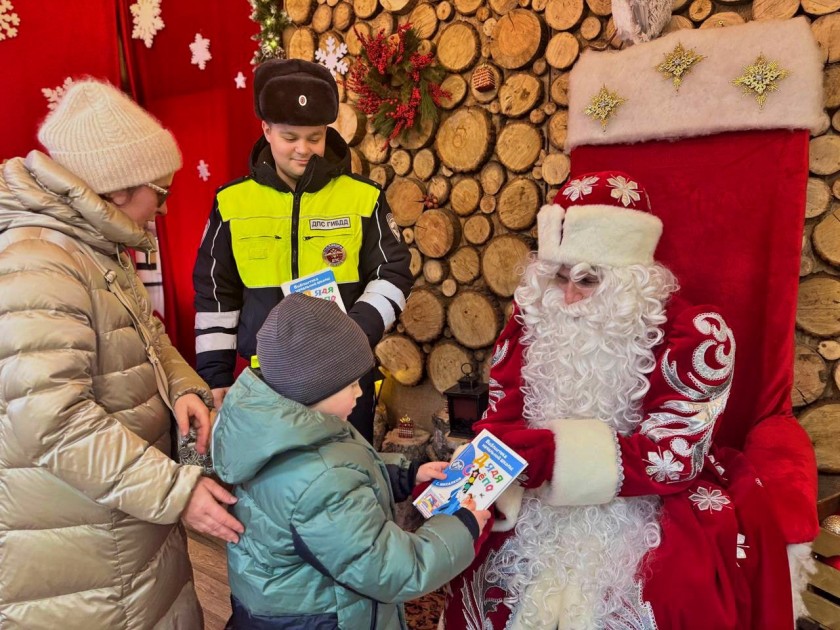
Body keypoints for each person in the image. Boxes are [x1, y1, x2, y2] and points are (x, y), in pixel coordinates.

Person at [442, 172, 795, 629]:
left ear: (627, 281)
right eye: (559, 276)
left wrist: (557, 456)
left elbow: (676, 456)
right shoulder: (533, 322)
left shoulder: (696, 337)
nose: (568, 297)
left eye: (587, 280)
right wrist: (471, 477)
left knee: (675, 590)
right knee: (479, 562)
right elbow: (501, 418)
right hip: (533, 492)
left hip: (641, 495)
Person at [0, 79, 244, 628]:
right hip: (83, 546)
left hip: (123, 519)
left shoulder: (96, 249)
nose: (162, 208)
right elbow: (53, 421)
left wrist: (182, 386)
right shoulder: (39, 262)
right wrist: (175, 491)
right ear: (114, 190)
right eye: (160, 192)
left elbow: (148, 336)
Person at [211, 293, 491, 629]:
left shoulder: (283, 432)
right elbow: (395, 570)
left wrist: (406, 474)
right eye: (351, 384)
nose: (361, 393)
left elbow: (344, 467)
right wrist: (463, 526)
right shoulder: (320, 481)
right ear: (314, 387)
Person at [193, 59, 412, 443]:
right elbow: (215, 295)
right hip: (263, 382)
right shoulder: (232, 202)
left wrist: (353, 333)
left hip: (345, 380)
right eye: (289, 137)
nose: (303, 149)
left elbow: (393, 275)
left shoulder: (364, 196)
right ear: (266, 130)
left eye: (314, 137)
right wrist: (216, 376)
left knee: (347, 477)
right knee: (274, 489)